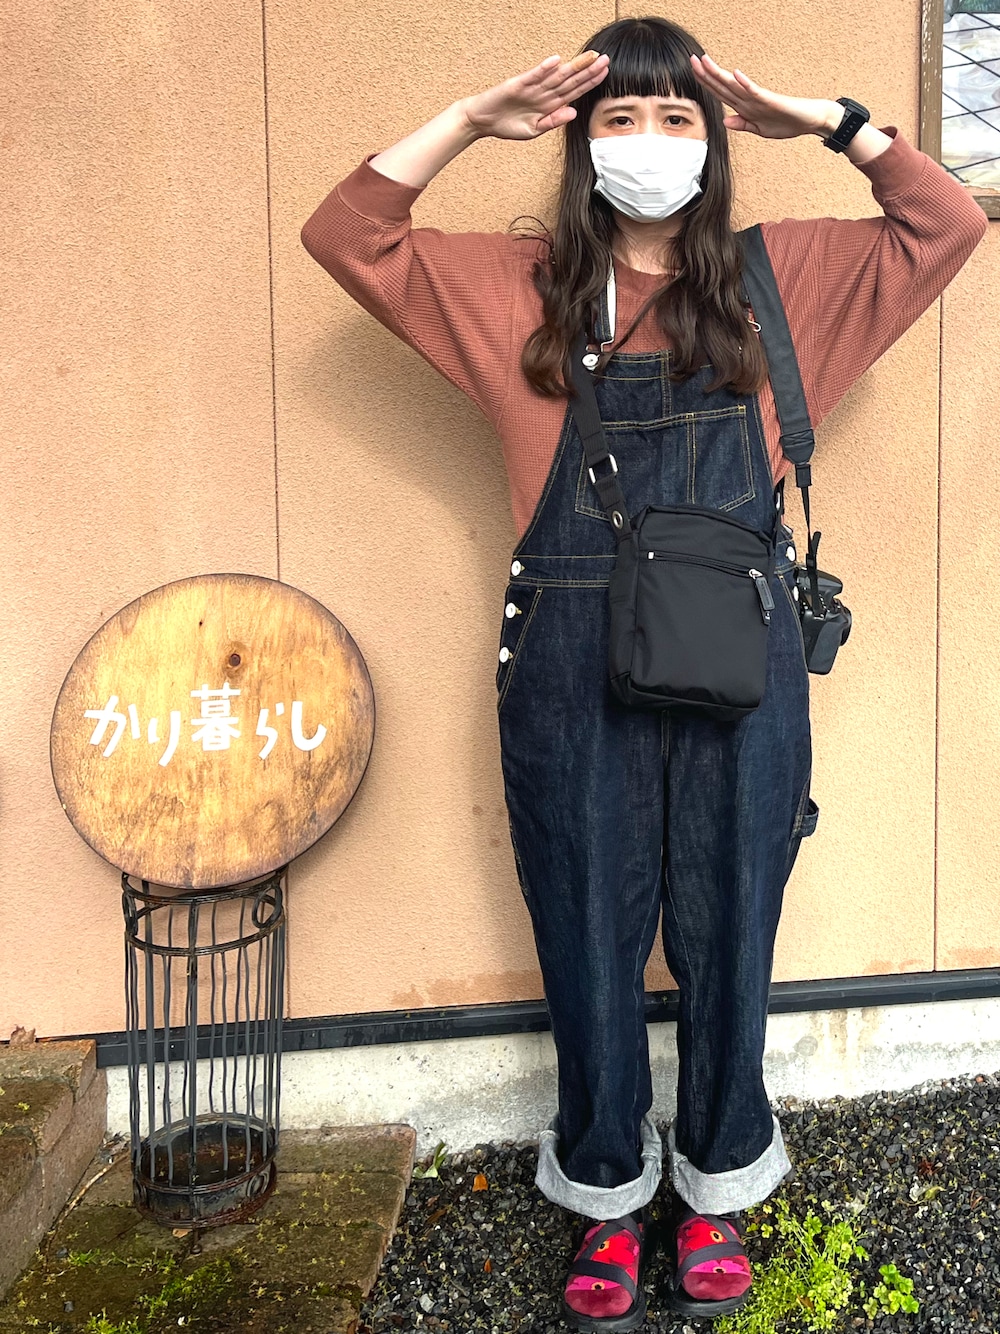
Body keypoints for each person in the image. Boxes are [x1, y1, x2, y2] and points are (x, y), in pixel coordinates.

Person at [301, 16, 987, 1330]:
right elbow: (350, 235)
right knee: (588, 926)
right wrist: (471, 118)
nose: (650, 142)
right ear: (580, 144)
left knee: (732, 920)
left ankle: (718, 1180)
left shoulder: (786, 281)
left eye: (679, 119)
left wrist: (828, 122)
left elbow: (946, 224)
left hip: (740, 658)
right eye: (620, 117)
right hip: (570, 661)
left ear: (717, 144)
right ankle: (608, 1192)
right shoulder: (520, 289)